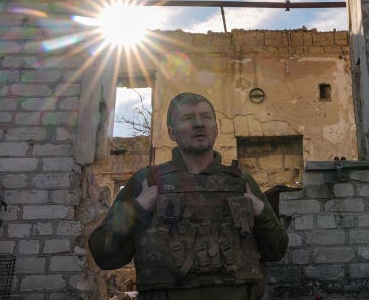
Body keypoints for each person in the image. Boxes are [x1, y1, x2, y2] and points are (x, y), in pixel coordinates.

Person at [89, 92, 288, 300]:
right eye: (187, 118)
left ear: (216, 128)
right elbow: (104, 256)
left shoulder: (241, 182)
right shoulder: (147, 181)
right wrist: (137, 208)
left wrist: (261, 212)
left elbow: (276, 251)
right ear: (171, 132)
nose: (199, 124)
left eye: (206, 117)